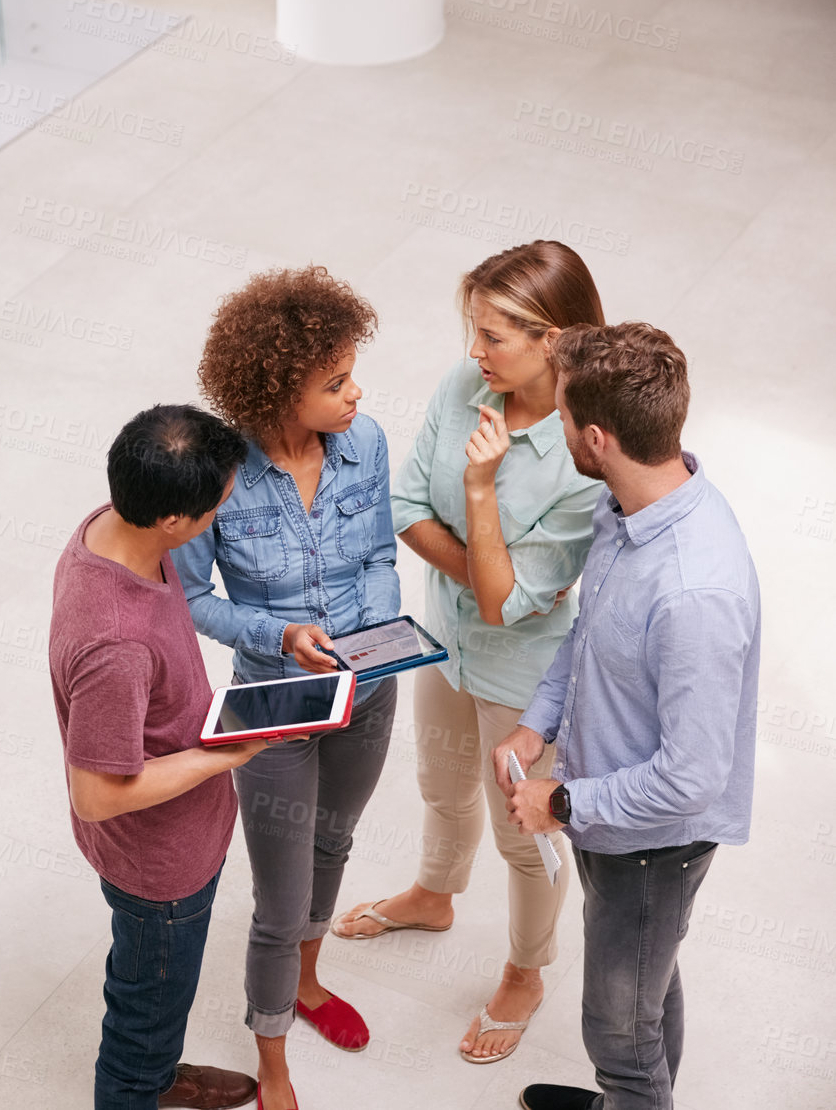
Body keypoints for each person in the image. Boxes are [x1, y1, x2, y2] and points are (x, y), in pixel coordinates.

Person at [331, 240, 605, 1064]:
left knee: (523, 833)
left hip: (524, 675)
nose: (472, 353)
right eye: (472, 332)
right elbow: (405, 500)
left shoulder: (581, 449)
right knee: (438, 785)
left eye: (492, 336)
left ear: (552, 340)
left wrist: (482, 525)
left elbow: (518, 604)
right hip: (443, 639)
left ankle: (526, 970)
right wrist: (485, 571)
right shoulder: (467, 386)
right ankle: (433, 893)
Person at [491, 322, 760, 1110]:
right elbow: (589, 631)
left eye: (563, 415)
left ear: (597, 437)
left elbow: (692, 776)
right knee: (647, 977)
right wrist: (536, 724)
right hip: (613, 816)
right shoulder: (628, 508)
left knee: (618, 1031)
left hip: (652, 844)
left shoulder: (691, 591)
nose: (555, 427)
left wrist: (562, 801)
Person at [172, 266, 401, 1110]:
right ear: (276, 390)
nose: (355, 394)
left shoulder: (365, 443)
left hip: (368, 686)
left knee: (332, 846)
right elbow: (194, 597)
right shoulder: (218, 474)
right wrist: (281, 637)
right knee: (278, 897)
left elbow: (378, 553)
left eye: (350, 376)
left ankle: (307, 984)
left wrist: (371, 639)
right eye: (334, 382)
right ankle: (271, 1058)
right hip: (273, 708)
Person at [50, 403, 268, 1110]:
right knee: (142, 1014)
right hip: (160, 867)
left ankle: (159, 1067)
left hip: (176, 838)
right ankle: (141, 1082)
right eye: (218, 503)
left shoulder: (112, 525)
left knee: (154, 991)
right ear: (173, 521)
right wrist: (224, 755)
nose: (226, 507)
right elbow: (97, 795)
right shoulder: (116, 645)